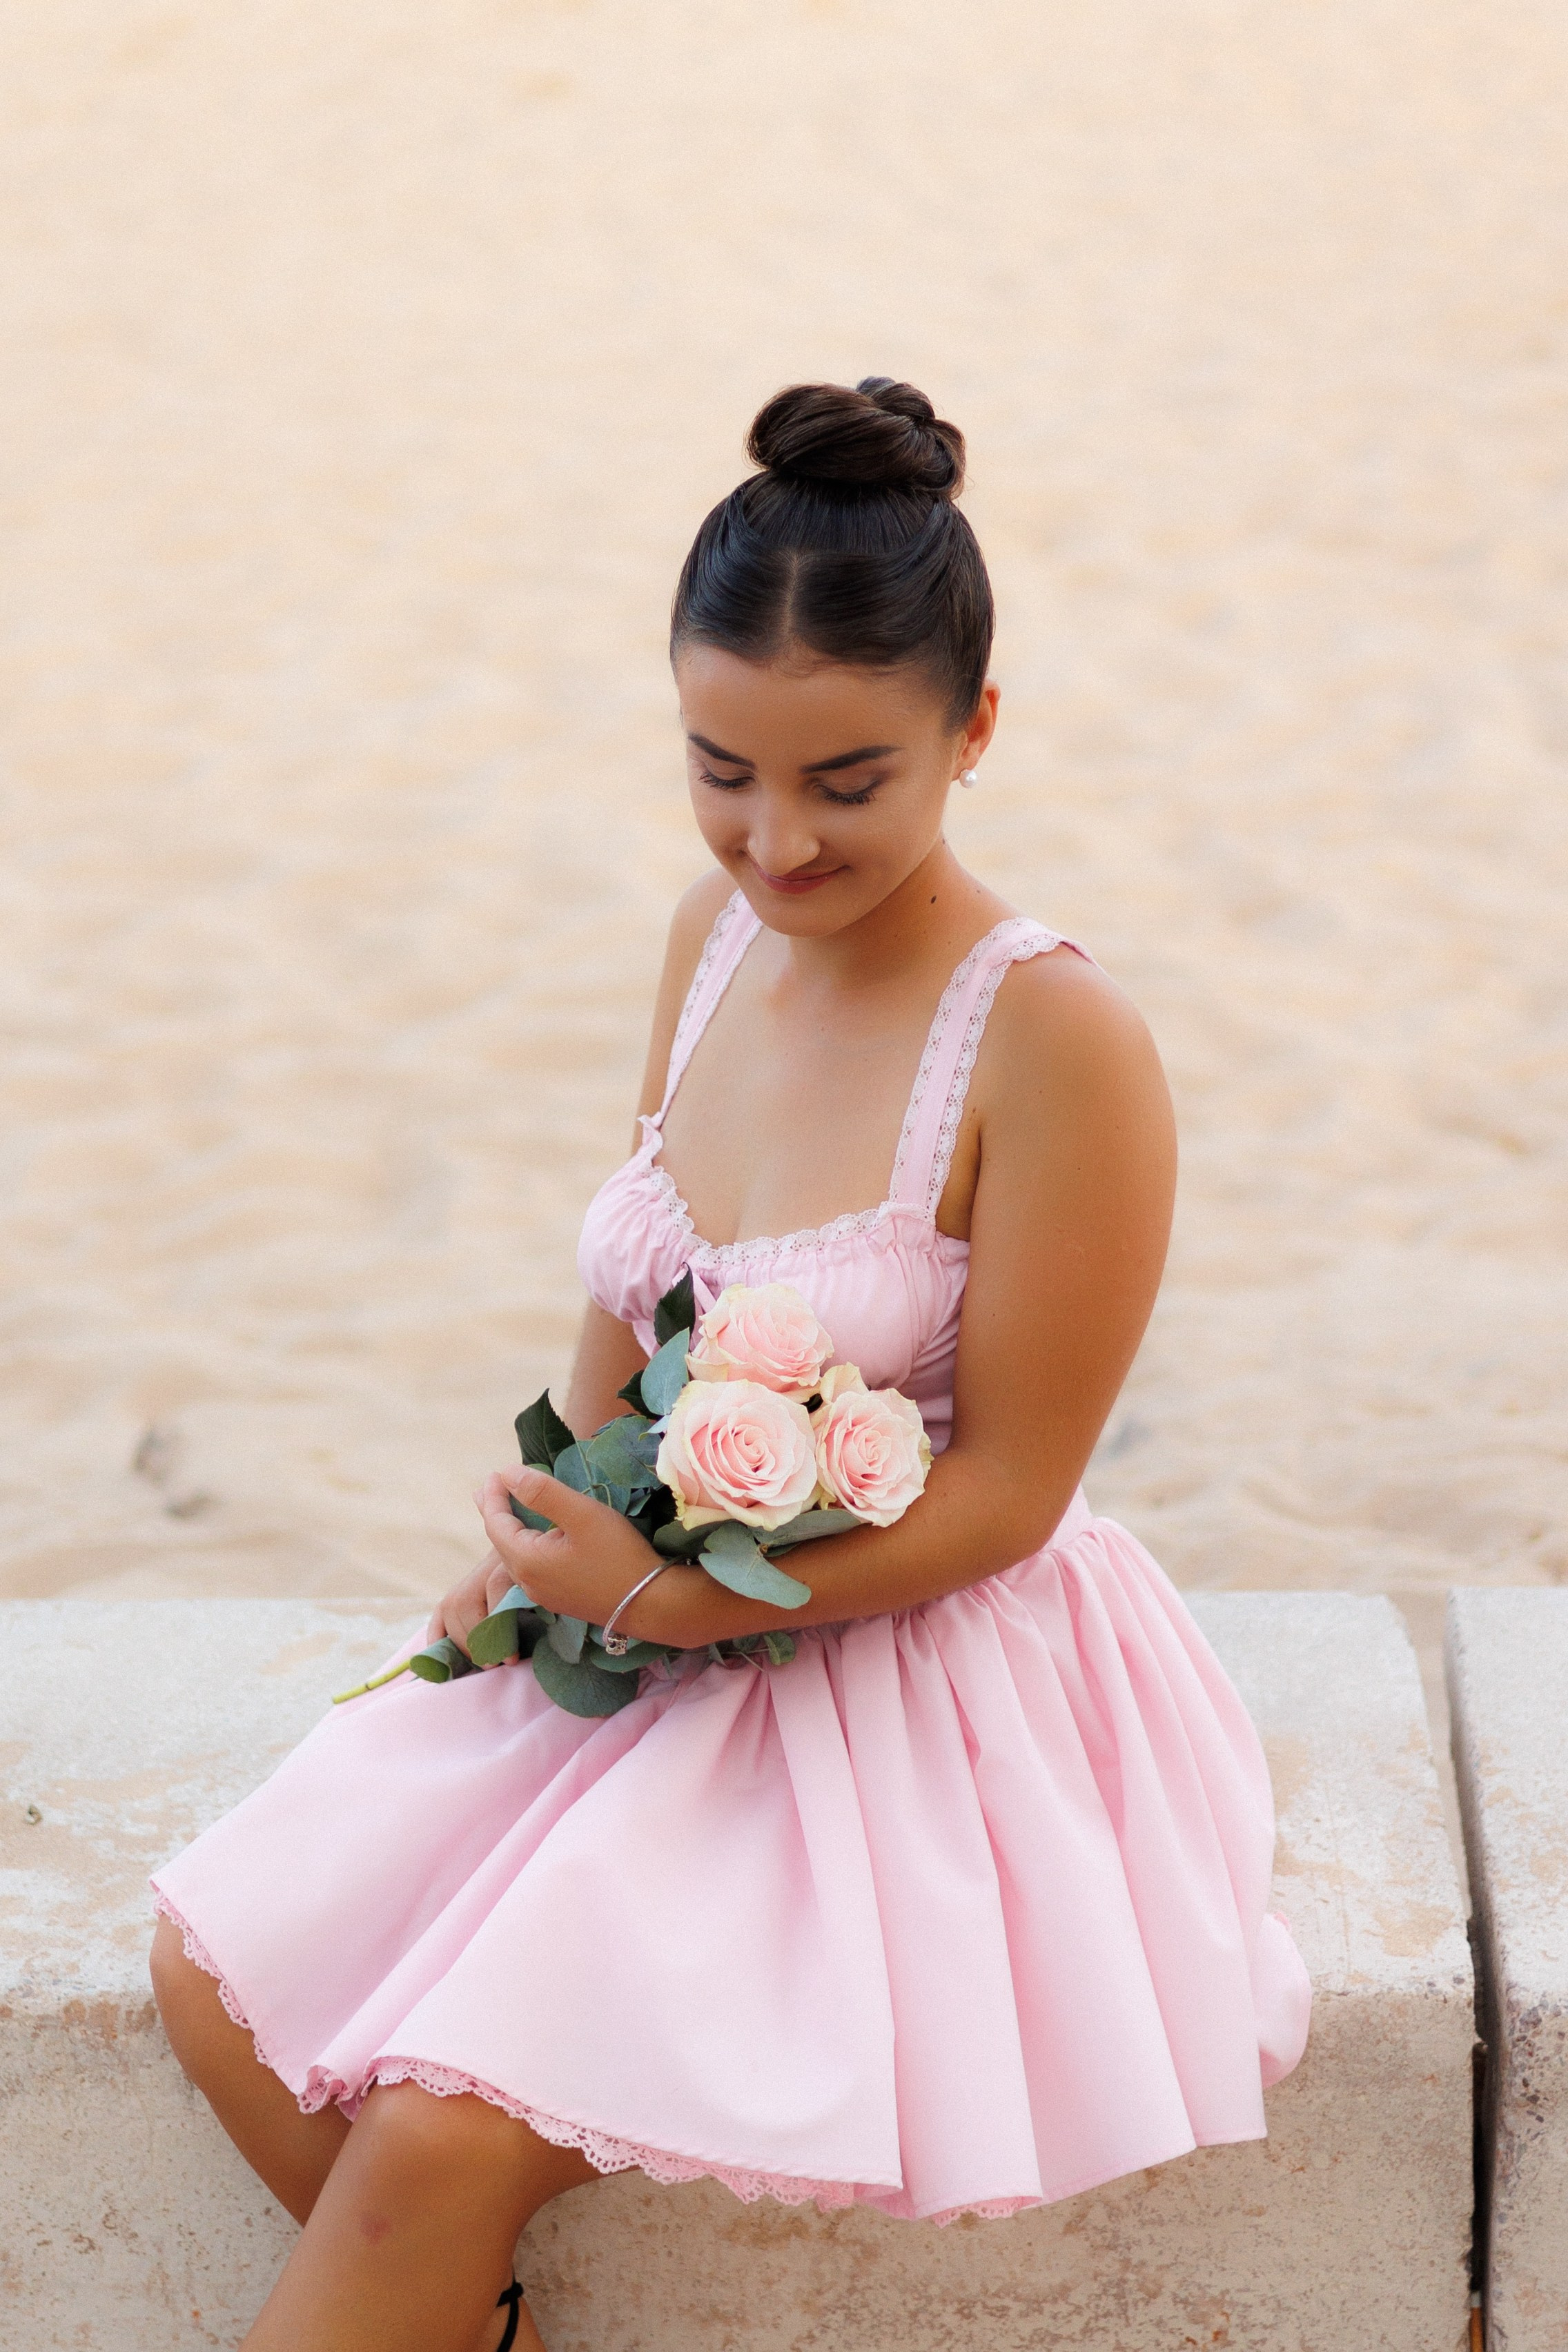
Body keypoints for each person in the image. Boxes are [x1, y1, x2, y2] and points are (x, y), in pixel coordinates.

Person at [149, 377, 1311, 2352]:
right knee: (218, 1978)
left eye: (847, 784)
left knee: (440, 2131)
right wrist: (549, 1536)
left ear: (976, 730)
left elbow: (1013, 1494)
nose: (776, 842)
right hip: (645, 1603)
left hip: (920, 1674)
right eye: (721, 772)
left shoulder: (1057, 1042)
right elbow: (632, 1307)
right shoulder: (709, 940)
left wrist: (681, 1602)